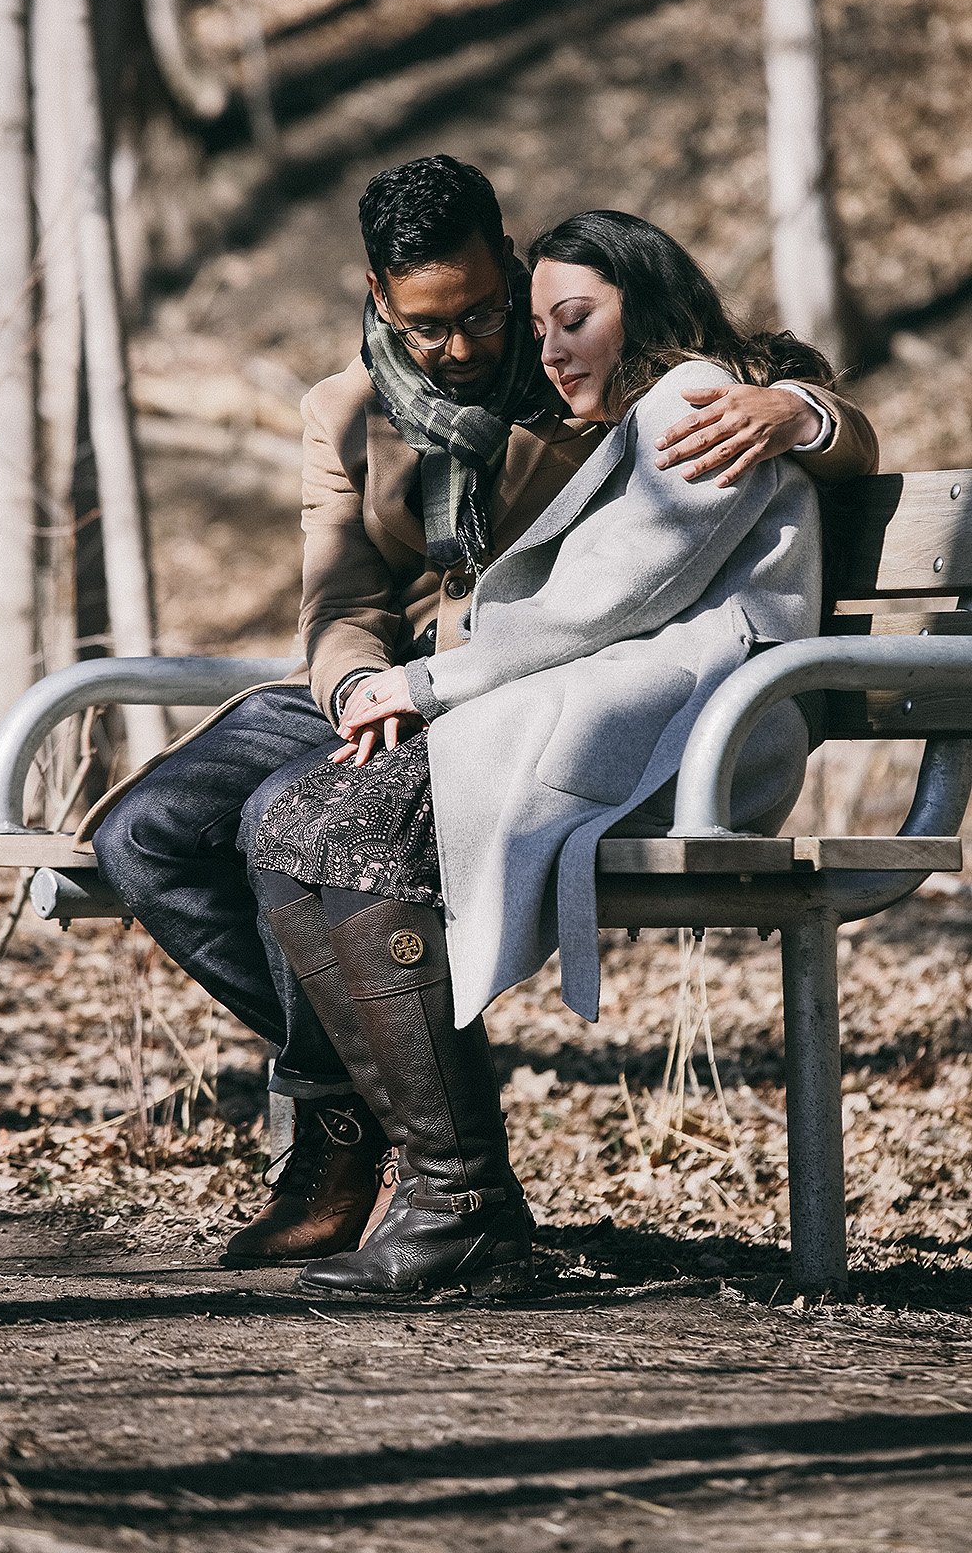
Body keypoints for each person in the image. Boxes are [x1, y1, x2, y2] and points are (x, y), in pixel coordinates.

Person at [87, 159, 877, 1269]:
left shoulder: (585, 367)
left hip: (522, 687)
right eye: (426, 327)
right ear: (375, 295)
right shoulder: (347, 410)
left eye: (481, 314)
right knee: (145, 836)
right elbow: (343, 601)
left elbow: (708, 462)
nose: (462, 347)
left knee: (298, 814)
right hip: (398, 685)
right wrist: (363, 684)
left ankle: (434, 1175)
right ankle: (363, 1111)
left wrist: (797, 407)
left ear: (508, 267)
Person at [248, 209, 832, 1303]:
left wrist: (418, 683)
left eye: (576, 320)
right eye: (543, 325)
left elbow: (599, 608)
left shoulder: (690, 402)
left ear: (643, 307)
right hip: (617, 703)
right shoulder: (641, 408)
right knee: (294, 827)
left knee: (337, 822)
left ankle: (461, 1208)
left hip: (689, 726)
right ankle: (448, 1192)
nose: (550, 348)